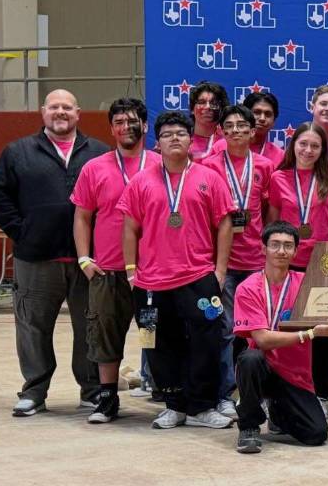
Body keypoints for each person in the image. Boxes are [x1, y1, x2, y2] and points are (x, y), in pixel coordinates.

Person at [0, 89, 109, 417]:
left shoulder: (99, 153)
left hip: (88, 260)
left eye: (67, 107)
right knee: (32, 326)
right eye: (54, 107)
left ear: (78, 113)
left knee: (91, 325)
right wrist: (23, 233)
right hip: (36, 258)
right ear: (43, 113)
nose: (61, 112)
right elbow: (1, 198)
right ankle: (34, 390)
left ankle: (91, 389)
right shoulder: (18, 152)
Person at [118, 111, 235, 429]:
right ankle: (174, 405)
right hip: (150, 283)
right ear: (157, 142)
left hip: (198, 278)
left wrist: (220, 271)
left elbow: (224, 225)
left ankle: (203, 406)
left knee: (207, 342)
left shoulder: (210, 178)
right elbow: (130, 228)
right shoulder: (141, 181)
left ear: (190, 139)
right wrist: (131, 271)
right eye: (167, 133)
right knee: (155, 343)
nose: (174, 138)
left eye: (181, 133)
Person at [70, 98, 161, 423]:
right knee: (105, 332)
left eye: (133, 121)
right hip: (108, 271)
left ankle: (168, 395)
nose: (126, 127)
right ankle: (107, 398)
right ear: (112, 129)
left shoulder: (161, 165)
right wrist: (84, 258)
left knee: (154, 332)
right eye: (120, 122)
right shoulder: (95, 168)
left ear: (146, 126)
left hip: (153, 273)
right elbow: (82, 216)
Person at [234, 221, 328, 453]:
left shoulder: (307, 284)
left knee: (316, 434)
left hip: (294, 375)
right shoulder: (248, 288)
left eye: (288, 246)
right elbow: (263, 339)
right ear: (263, 249)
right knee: (250, 358)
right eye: (275, 245)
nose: (281, 251)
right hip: (263, 369)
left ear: (296, 251)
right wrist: (312, 333)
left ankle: (278, 412)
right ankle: (249, 426)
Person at [202, 104, 274, 419]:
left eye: (241, 125)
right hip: (224, 262)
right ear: (221, 131)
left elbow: (270, 209)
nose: (235, 131)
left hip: (257, 261)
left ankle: (259, 393)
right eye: (228, 125)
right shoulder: (208, 165)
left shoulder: (265, 166)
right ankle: (225, 395)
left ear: (252, 129)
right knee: (226, 330)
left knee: (259, 331)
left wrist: (268, 246)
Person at [266, 122, 328, 401]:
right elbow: (273, 221)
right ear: (293, 145)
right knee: (287, 329)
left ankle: (320, 393)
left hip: (324, 265)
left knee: (321, 334)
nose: (308, 150)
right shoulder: (278, 178)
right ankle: (285, 391)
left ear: (323, 150)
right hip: (288, 262)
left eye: (315, 145)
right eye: (303, 144)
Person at [211, 91, 285, 168]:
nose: (262, 118)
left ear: (274, 121)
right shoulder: (220, 146)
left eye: (268, 114)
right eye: (257, 112)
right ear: (245, 115)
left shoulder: (280, 156)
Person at [188, 81, 229, 162]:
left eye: (214, 103)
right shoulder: (182, 139)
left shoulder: (229, 141)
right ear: (192, 109)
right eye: (202, 102)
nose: (207, 107)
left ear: (222, 109)